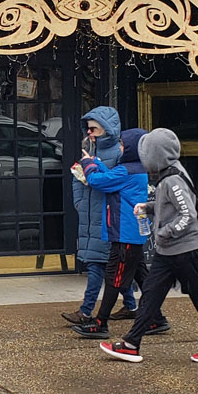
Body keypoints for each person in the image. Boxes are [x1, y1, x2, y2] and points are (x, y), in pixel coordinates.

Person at [100, 127, 198, 364]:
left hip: (182, 250)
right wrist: (148, 207)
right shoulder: (169, 173)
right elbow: (172, 206)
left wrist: (165, 232)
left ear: (154, 154)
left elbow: (187, 214)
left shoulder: (172, 179)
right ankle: (132, 343)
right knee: (151, 294)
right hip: (170, 249)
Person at [71, 128, 169, 340]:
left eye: (123, 145)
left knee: (114, 277)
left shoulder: (127, 171)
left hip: (124, 232)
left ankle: (100, 322)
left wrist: (87, 163)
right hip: (130, 232)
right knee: (141, 275)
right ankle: (157, 318)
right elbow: (109, 176)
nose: (121, 148)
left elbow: (100, 181)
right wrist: (95, 162)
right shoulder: (135, 168)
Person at [62, 106, 137, 326]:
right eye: (88, 129)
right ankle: (131, 305)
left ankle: (86, 311)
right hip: (90, 212)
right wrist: (79, 201)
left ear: (107, 128)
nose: (90, 133)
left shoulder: (120, 153)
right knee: (109, 266)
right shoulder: (89, 150)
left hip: (107, 216)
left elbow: (112, 182)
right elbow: (77, 175)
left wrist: (93, 170)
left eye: (94, 128)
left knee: (97, 264)